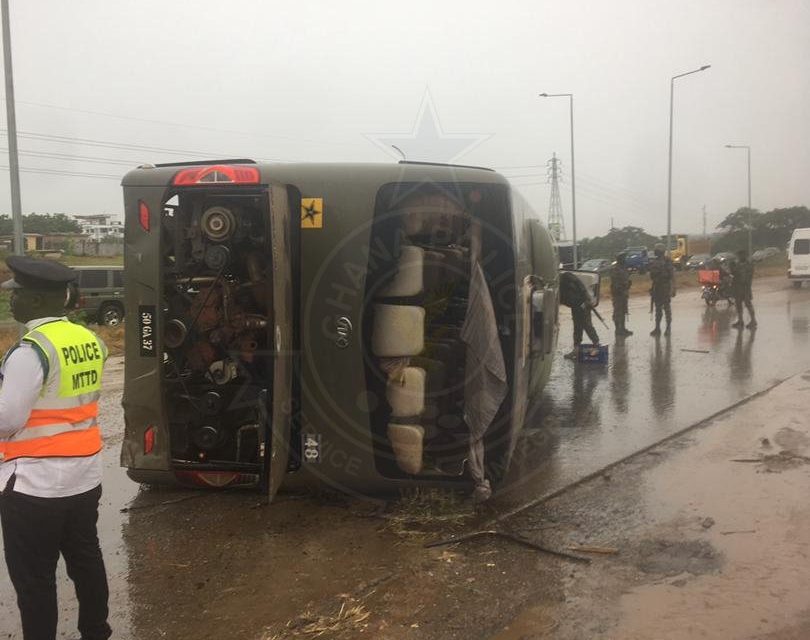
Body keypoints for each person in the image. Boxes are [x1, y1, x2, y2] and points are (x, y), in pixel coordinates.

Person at [0, 256, 112, 640]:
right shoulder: (89, 339)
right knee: (86, 561)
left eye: (15, 295)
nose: (11, 302)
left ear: (33, 300)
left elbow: (8, 419)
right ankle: (97, 632)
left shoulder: (31, 351)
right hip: (84, 478)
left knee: (35, 580)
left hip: (35, 486)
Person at [559, 270, 600, 360]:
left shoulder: (566, 276)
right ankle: (577, 350)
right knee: (578, 327)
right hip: (576, 305)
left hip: (582, 304)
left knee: (586, 325)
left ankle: (596, 345)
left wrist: (586, 299)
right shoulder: (561, 280)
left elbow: (580, 286)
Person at [648, 243, 675, 336]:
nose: (655, 251)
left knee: (667, 309)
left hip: (665, 287)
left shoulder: (667, 261)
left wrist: (673, 288)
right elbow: (652, 275)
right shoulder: (654, 261)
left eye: (656, 250)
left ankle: (668, 328)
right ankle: (657, 328)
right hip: (657, 287)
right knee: (658, 309)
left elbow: (671, 275)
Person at [731, 248, 757, 329]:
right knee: (738, 305)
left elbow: (745, 277)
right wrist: (732, 269)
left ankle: (753, 321)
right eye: (738, 255)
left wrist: (736, 271)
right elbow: (735, 274)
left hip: (745, 288)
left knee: (748, 304)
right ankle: (740, 321)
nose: (739, 257)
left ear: (745, 255)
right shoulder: (738, 264)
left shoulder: (748, 264)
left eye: (741, 255)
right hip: (738, 288)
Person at [610, 252, 633, 337]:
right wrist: (622, 287)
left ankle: (623, 329)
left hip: (624, 293)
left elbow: (626, 279)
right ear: (620, 259)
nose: (625, 260)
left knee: (623, 311)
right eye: (623, 258)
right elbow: (615, 283)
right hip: (618, 294)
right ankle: (618, 329)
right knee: (617, 312)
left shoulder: (624, 268)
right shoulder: (615, 269)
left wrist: (628, 284)